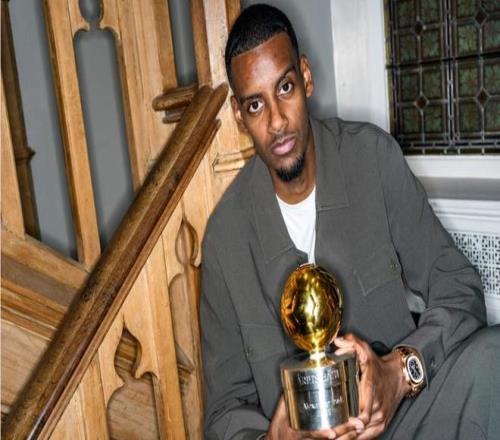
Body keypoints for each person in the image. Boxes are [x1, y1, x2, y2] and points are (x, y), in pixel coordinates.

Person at [200, 4, 499, 440]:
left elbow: (457, 286)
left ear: (306, 77)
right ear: (238, 115)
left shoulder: (371, 158)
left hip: (401, 420)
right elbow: (224, 411)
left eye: (285, 87)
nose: (277, 121)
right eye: (255, 104)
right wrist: (275, 438)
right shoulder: (225, 240)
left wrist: (400, 372)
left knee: (493, 356)